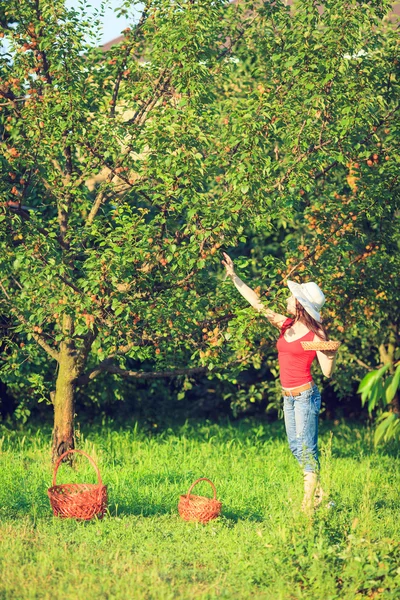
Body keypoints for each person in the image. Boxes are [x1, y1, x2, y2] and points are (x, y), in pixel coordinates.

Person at [221, 252, 338, 512]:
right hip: (288, 397)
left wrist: (329, 354)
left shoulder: (316, 334)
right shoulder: (286, 326)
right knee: (296, 447)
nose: (287, 297)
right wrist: (235, 277)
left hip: (306, 395)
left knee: (306, 450)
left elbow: (327, 372)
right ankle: (322, 498)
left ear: (300, 304)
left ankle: (307, 507)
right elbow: (257, 304)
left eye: (291, 295)